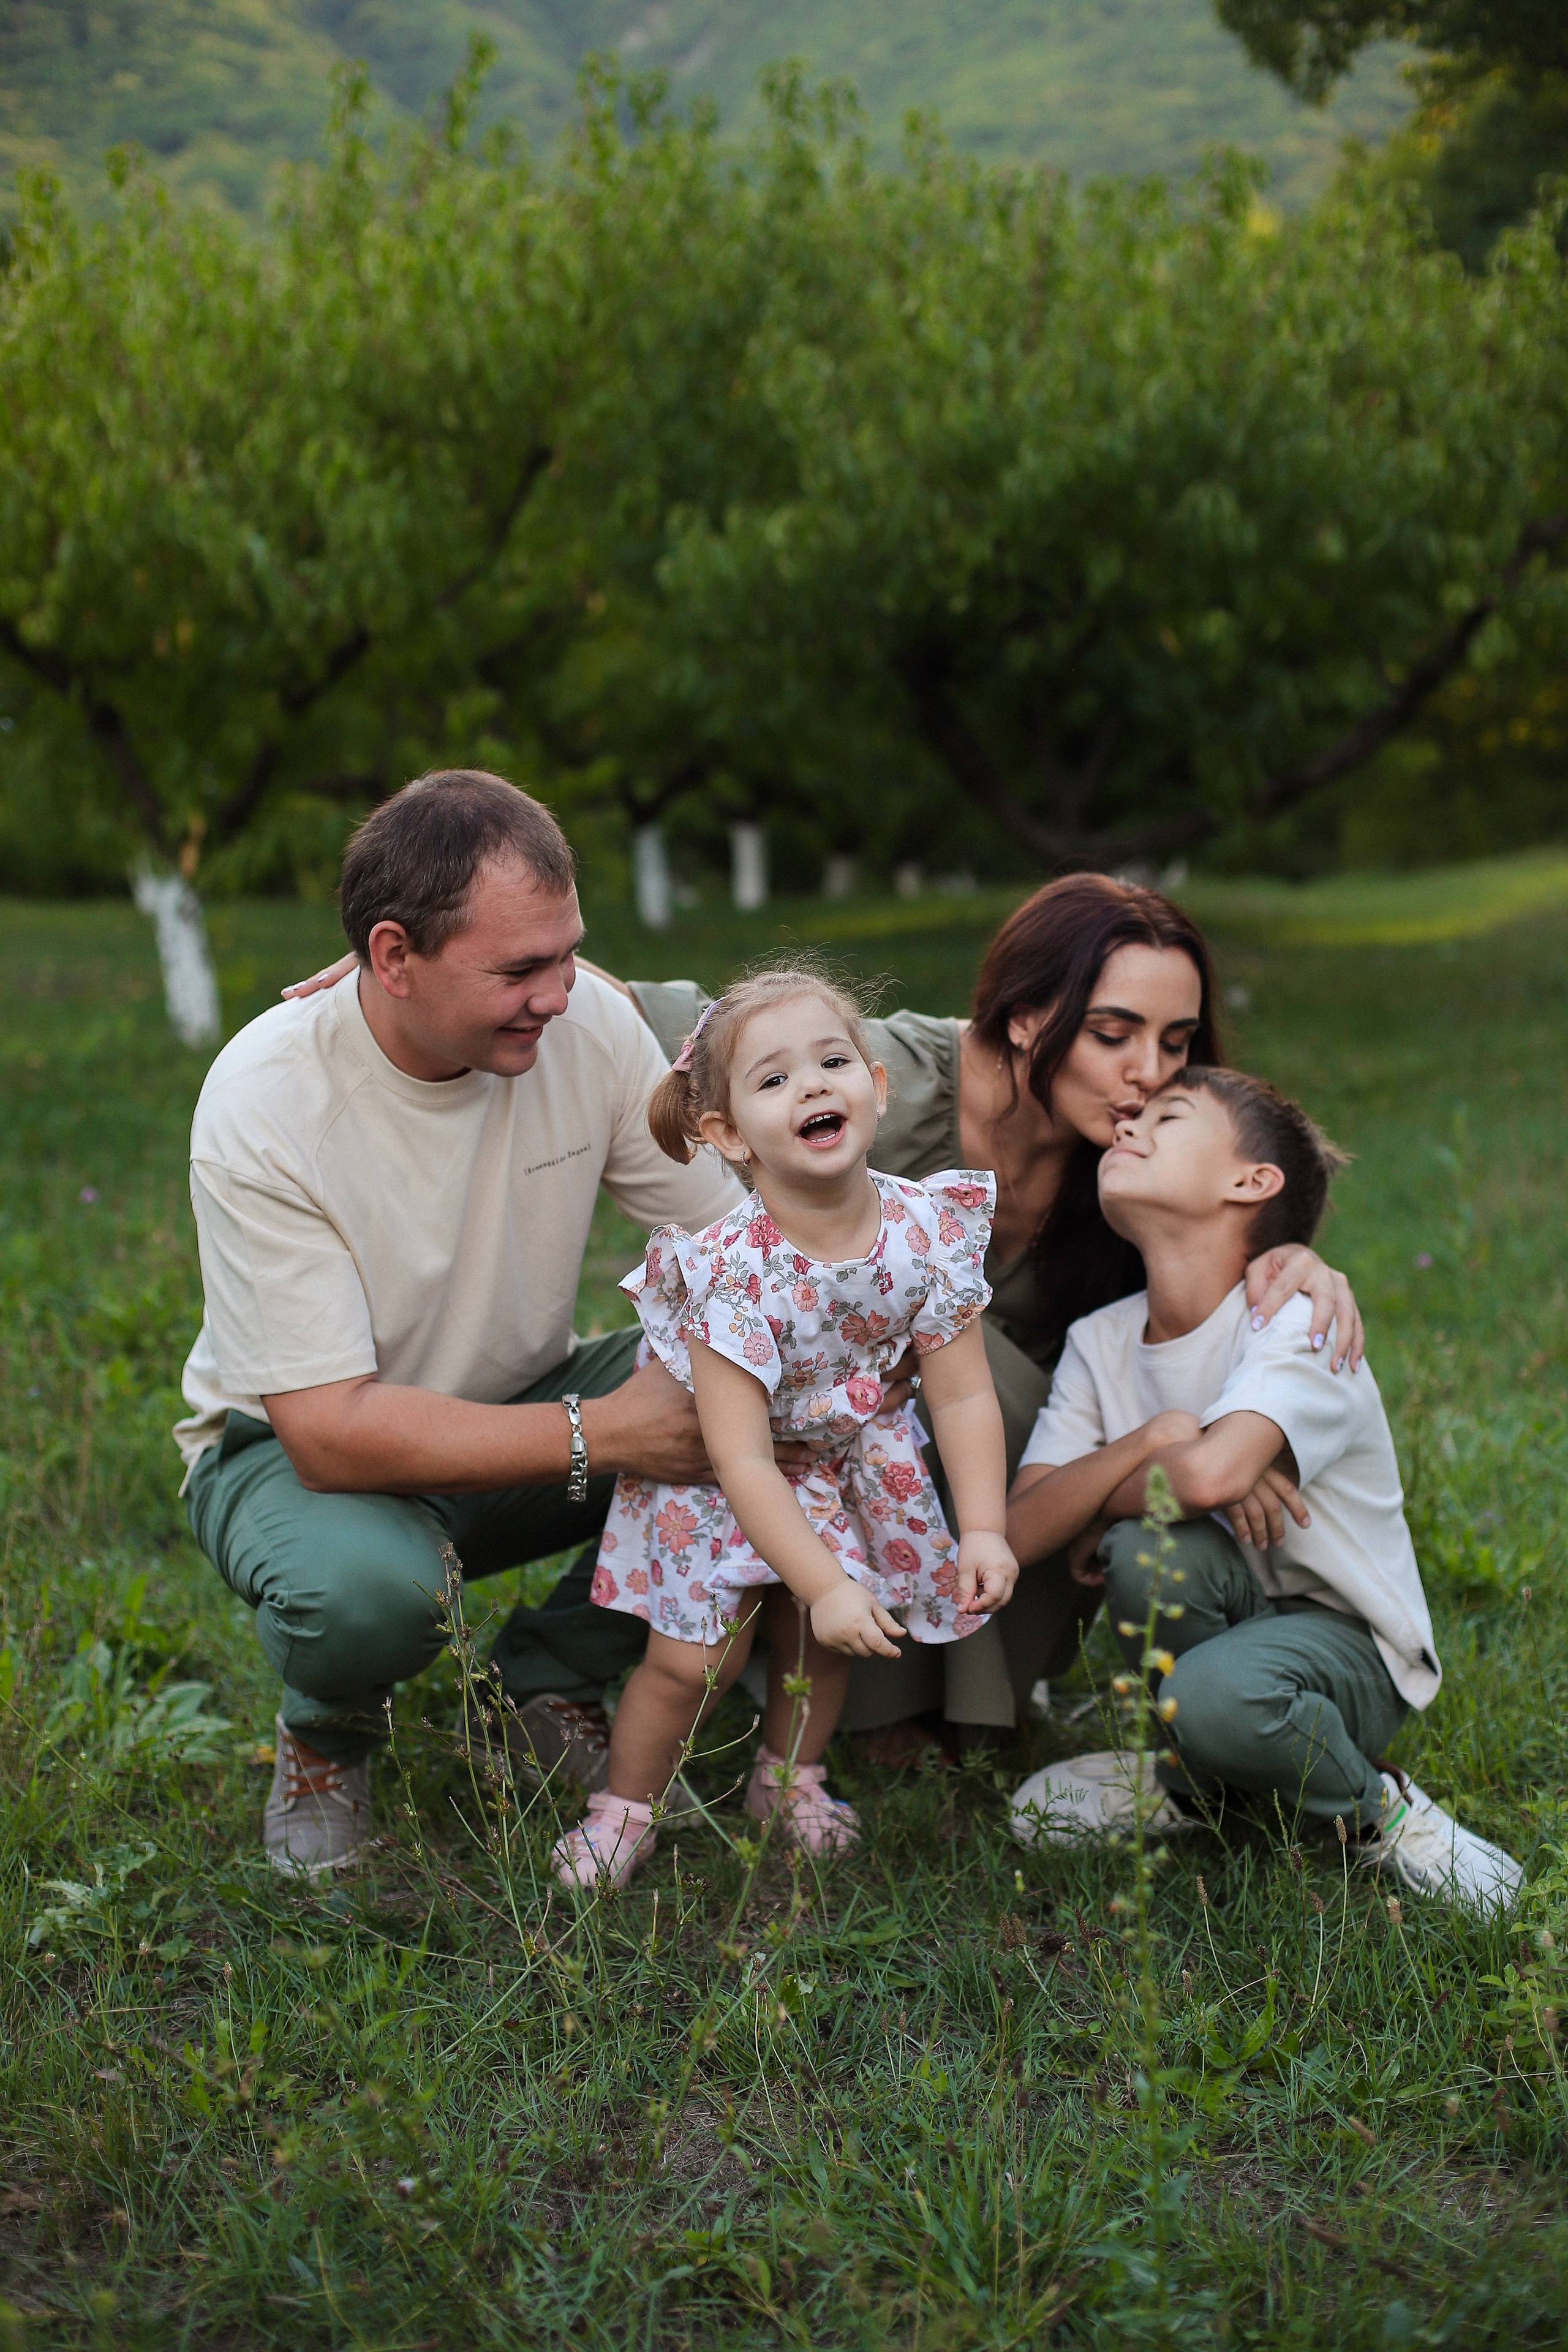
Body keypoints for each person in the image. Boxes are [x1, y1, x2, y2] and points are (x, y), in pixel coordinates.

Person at [285, 875, 1366, 1760]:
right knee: (742, 1418)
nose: (1149, 1076)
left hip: (935, 1465)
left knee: (985, 1395)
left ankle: (920, 1696)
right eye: (1116, 1033)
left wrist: (1296, 1262)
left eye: (1175, 1044)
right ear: (1032, 1013)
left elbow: (1241, 1169)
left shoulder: (1122, 1165)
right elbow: (656, 1019)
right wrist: (425, 976)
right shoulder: (865, 1071)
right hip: (785, 1405)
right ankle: (574, 1669)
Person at [178, 769, 751, 1876]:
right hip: (290, 1458)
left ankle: (547, 1673)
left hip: (515, 1406)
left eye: (570, 951)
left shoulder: (587, 1025)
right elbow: (330, 1431)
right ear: (392, 958)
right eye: (522, 968)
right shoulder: (264, 1100)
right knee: (368, 1596)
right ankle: (326, 1733)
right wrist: (614, 1434)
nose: (562, 990)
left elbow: (735, 1262)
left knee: (759, 1386)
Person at [1003, 1065, 1522, 1910]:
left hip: (1347, 1649)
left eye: (1167, 1116)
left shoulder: (1301, 1323)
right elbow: (1024, 1529)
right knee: (1146, 1552)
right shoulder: (1101, 1341)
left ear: (1251, 1183)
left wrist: (1128, 1483)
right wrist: (1156, 1439)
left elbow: (1212, 1475)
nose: (1129, 1121)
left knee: (1206, 1686)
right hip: (1232, 1602)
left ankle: (1375, 1807)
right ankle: (1196, 1782)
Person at [551, 967, 1015, 1887]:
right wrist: (828, 1579)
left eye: (832, 1061)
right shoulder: (733, 1268)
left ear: (875, 1087)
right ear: (727, 1135)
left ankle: (789, 1778)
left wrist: (988, 1526)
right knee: (693, 1663)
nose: (811, 1085)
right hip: (729, 1479)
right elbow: (740, 1455)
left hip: (848, 1459)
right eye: (773, 1080)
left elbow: (961, 1395)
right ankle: (627, 1809)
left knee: (818, 1641)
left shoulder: (927, 1228)